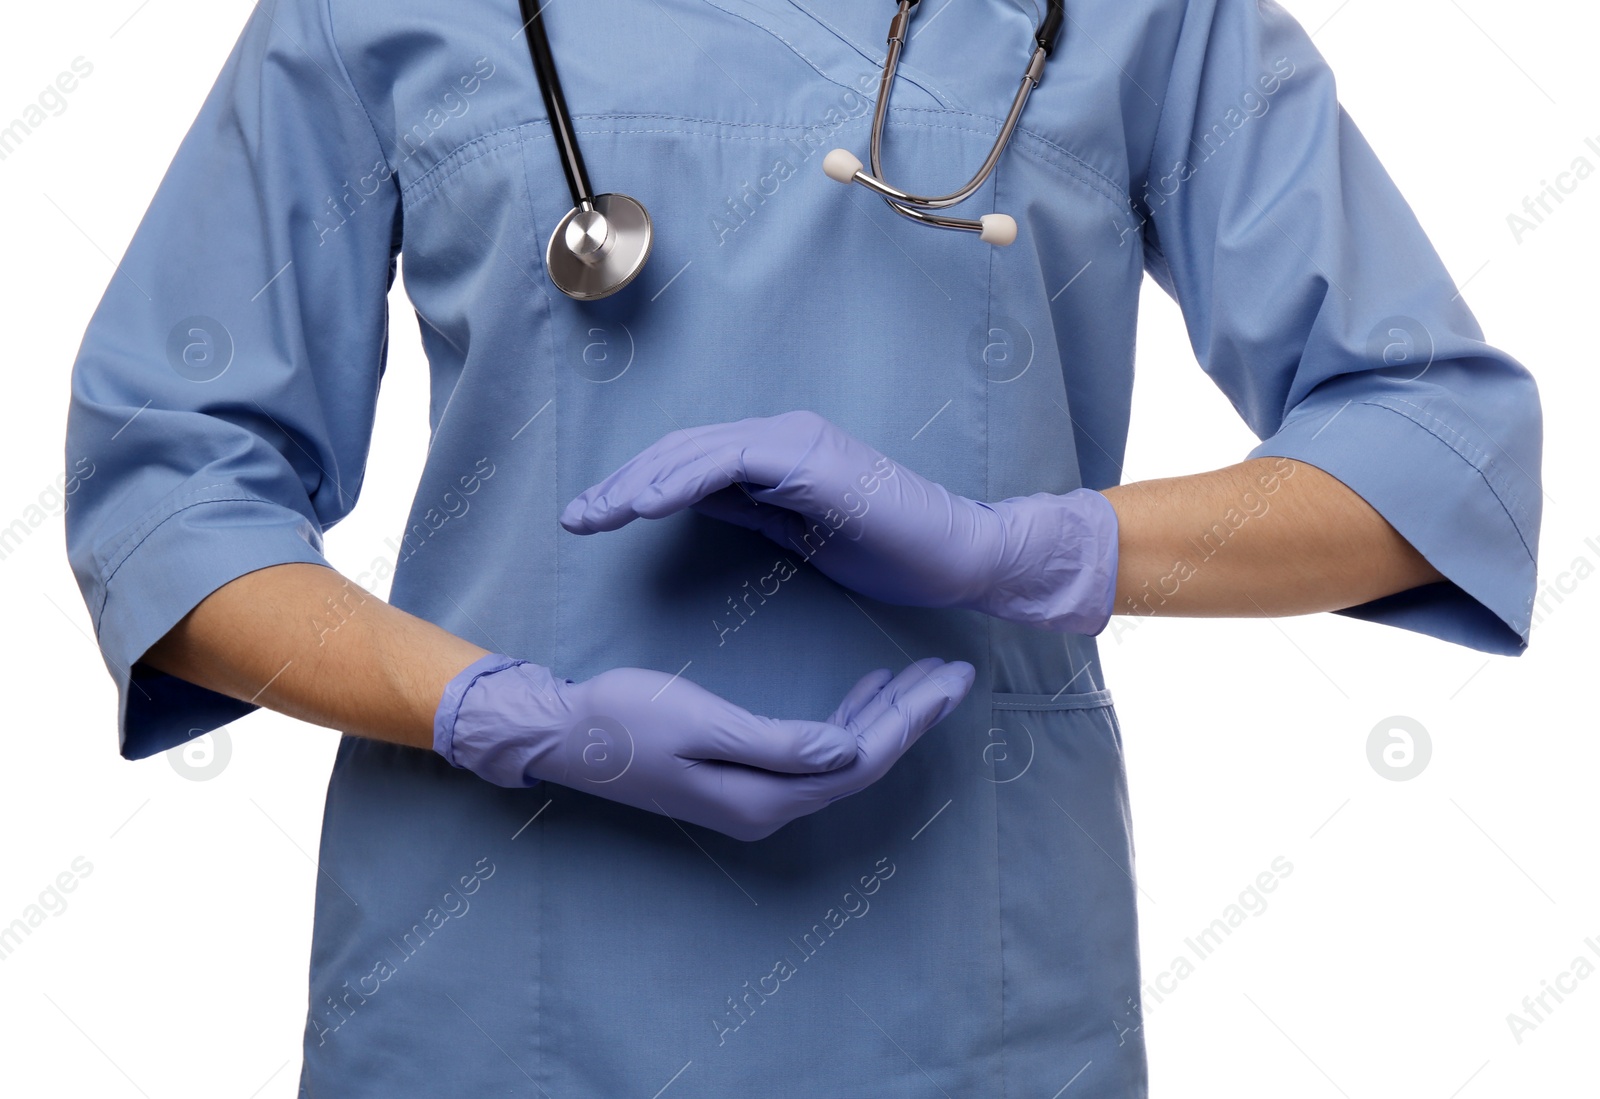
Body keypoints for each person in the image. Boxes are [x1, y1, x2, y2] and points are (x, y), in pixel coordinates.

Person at [63, 0, 1542, 1094]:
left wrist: (1034, 549)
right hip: (491, 963)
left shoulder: (1147, 21)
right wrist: (495, 714)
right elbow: (164, 496)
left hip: (966, 974)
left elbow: (1436, 446)